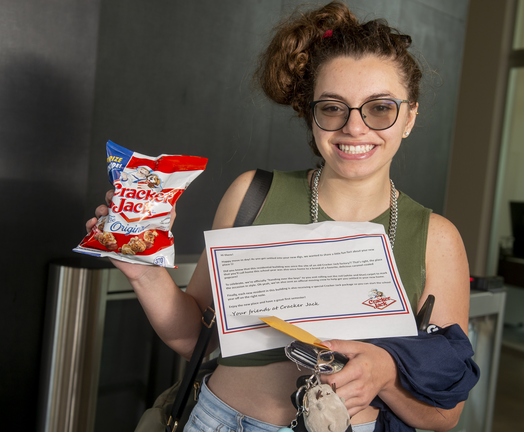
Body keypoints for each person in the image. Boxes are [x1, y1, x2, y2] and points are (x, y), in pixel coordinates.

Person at [86, 2, 473, 431]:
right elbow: (193, 340)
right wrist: (145, 272)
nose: (355, 127)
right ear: (311, 115)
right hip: (216, 420)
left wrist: (383, 374)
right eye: (332, 107)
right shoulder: (252, 194)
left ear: (409, 117)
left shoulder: (437, 239)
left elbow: (444, 415)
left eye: (380, 107)